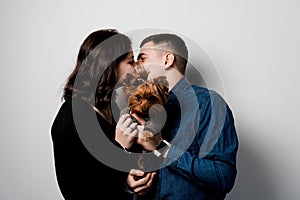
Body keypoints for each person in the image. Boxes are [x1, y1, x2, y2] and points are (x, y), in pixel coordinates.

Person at [119, 33, 239, 199]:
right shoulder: (138, 108)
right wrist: (130, 184)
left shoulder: (208, 104)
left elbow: (223, 176)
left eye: (143, 58)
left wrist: (162, 147)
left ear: (167, 60)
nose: (136, 66)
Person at [51, 29, 139, 199]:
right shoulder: (70, 117)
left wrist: (130, 184)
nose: (137, 67)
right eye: (130, 61)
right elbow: (73, 190)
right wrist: (119, 147)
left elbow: (112, 178)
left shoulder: (110, 106)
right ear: (110, 64)